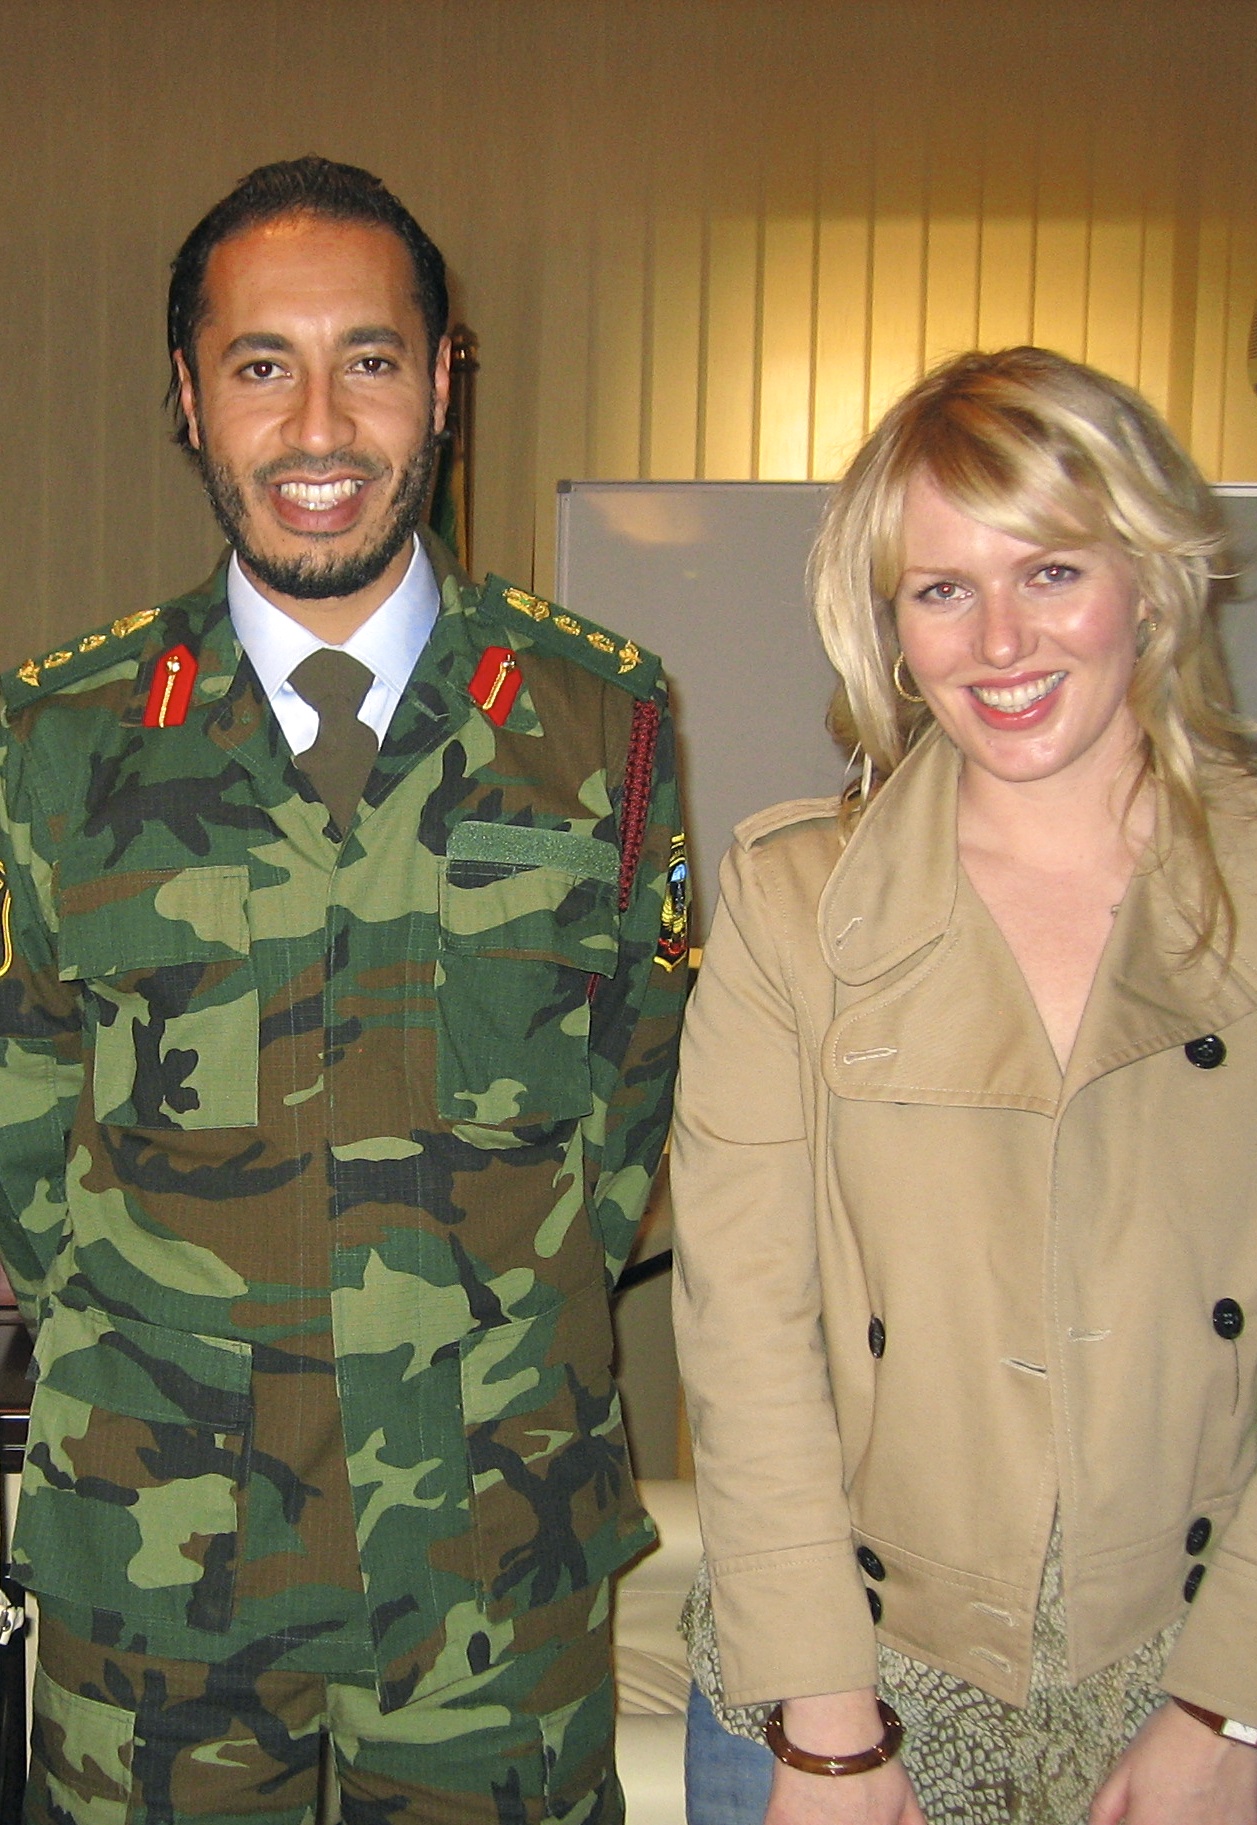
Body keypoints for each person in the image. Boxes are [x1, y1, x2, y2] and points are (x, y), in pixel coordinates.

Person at [0, 156, 687, 1825]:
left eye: (370, 359)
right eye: (261, 365)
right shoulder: (58, 741)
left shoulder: (602, 725)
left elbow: (624, 1130)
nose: (319, 426)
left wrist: (452, 1351)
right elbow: (28, 1161)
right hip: (158, 1575)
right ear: (187, 394)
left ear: (446, 376)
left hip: (492, 1563)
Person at [671, 347, 1257, 1825]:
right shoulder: (792, 905)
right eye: (942, 588)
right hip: (849, 1674)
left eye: (1052, 571)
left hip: (1195, 1671)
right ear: (890, 625)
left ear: (1148, 578)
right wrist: (831, 1734)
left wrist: (1230, 1706)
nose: (999, 640)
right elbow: (747, 1330)